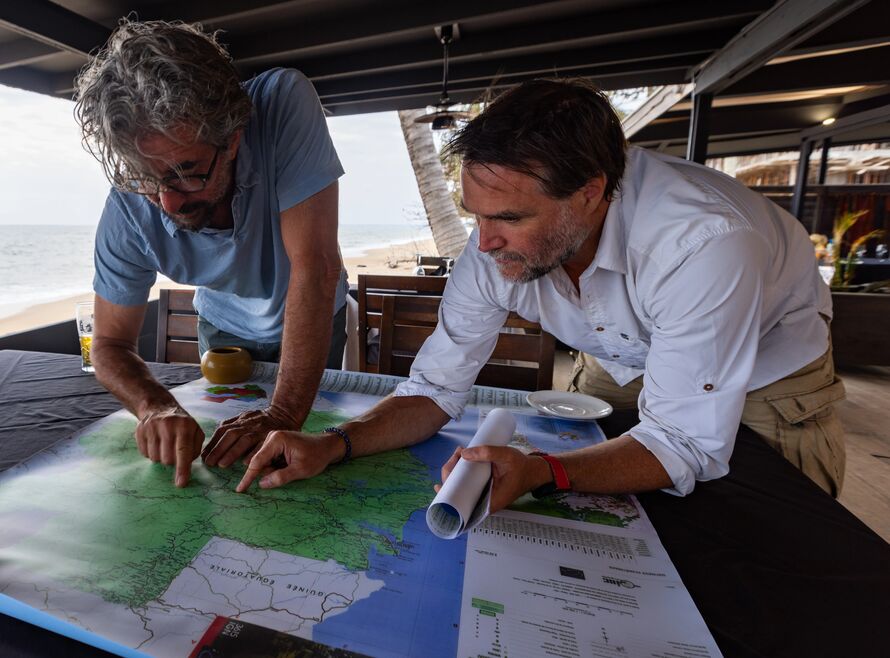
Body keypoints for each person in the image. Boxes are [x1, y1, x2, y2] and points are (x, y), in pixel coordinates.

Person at [237, 78, 846, 508]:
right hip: (616, 361)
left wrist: (541, 471)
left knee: (765, 534)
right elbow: (432, 391)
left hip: (772, 378)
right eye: (475, 215)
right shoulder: (494, 249)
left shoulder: (701, 242)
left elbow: (684, 441)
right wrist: (332, 444)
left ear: (589, 192)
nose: (483, 245)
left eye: (509, 219)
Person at [75, 19, 349, 487]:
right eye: (145, 176)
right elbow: (109, 345)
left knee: (299, 457)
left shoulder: (282, 102)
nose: (168, 204)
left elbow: (317, 270)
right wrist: (155, 404)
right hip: (221, 325)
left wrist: (282, 413)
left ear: (235, 137)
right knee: (224, 464)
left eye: (187, 172)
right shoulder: (128, 205)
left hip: (313, 311)